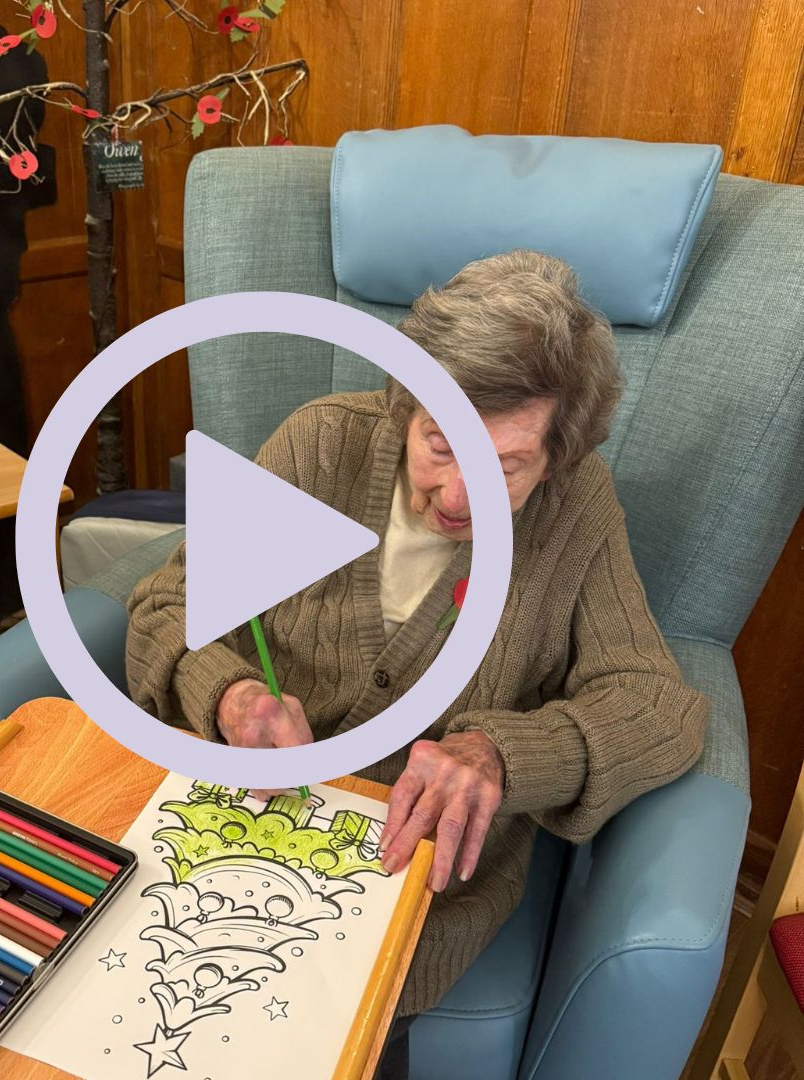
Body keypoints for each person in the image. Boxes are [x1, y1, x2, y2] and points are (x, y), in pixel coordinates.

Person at [124, 249, 709, 1078]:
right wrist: (231, 696)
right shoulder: (322, 444)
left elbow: (656, 701)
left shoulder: (577, 509)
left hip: (402, 894)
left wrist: (503, 755)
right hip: (222, 825)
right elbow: (167, 605)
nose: (458, 494)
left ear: (557, 457)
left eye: (506, 463)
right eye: (439, 440)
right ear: (405, 404)